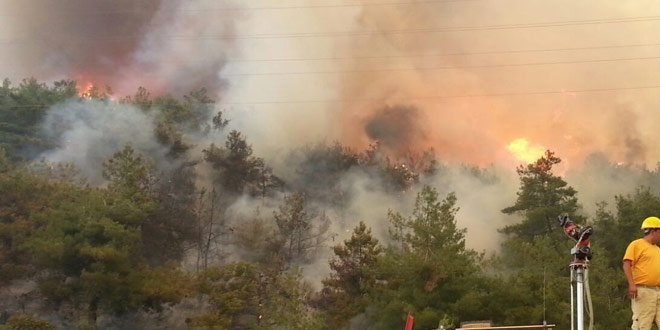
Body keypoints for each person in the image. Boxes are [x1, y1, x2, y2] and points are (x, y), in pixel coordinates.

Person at [623, 216, 660, 330]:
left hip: (658, 290)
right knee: (643, 324)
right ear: (653, 231)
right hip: (643, 290)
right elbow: (626, 263)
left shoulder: (657, 249)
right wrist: (632, 285)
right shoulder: (637, 244)